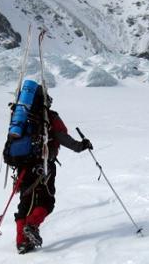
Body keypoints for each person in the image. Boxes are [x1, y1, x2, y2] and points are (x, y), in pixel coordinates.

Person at [15, 100, 92, 254]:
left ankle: (22, 242)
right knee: (47, 201)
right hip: (43, 167)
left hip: (22, 167)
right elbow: (62, 137)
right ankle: (31, 225)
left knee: (25, 203)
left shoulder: (20, 118)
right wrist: (81, 145)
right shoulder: (49, 117)